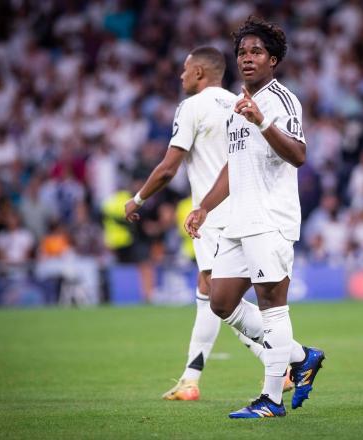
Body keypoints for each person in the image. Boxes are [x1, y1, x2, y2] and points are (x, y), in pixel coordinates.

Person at [124, 46, 287, 400]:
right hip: (245, 208)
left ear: (199, 72)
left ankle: (286, 359)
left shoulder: (191, 107)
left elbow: (168, 168)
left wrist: (137, 199)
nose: (181, 77)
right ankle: (191, 377)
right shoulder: (237, 101)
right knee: (211, 292)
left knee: (219, 298)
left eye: (184, 71)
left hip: (214, 214)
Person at [185, 17, 325, 418]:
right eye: (242, 52)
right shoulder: (235, 105)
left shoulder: (282, 100)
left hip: (271, 218)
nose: (247, 58)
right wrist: (205, 206)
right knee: (221, 300)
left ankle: (271, 400)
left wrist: (261, 121)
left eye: (256, 52)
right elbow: (234, 165)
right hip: (237, 220)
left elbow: (299, 155)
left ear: (273, 60)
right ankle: (300, 356)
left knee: (271, 305)